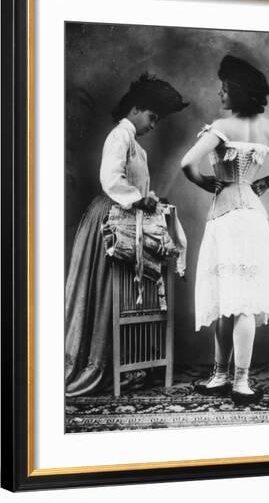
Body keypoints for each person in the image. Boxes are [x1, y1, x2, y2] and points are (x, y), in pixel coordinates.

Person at [180, 55, 269, 405]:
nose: (220, 95)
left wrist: (207, 183)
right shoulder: (268, 128)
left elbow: (187, 163)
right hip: (253, 217)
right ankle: (238, 381)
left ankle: (225, 377)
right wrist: (263, 182)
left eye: (224, 89)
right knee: (244, 300)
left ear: (237, 92)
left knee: (227, 300)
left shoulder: (222, 126)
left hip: (225, 219)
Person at [65, 73, 188, 397]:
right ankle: (98, 364)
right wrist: (137, 198)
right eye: (152, 116)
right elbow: (111, 178)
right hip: (109, 218)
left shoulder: (136, 146)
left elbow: (135, 185)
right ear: (135, 108)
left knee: (126, 295)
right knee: (110, 292)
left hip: (128, 217)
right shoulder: (120, 136)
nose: (153, 124)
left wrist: (147, 198)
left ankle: (128, 363)